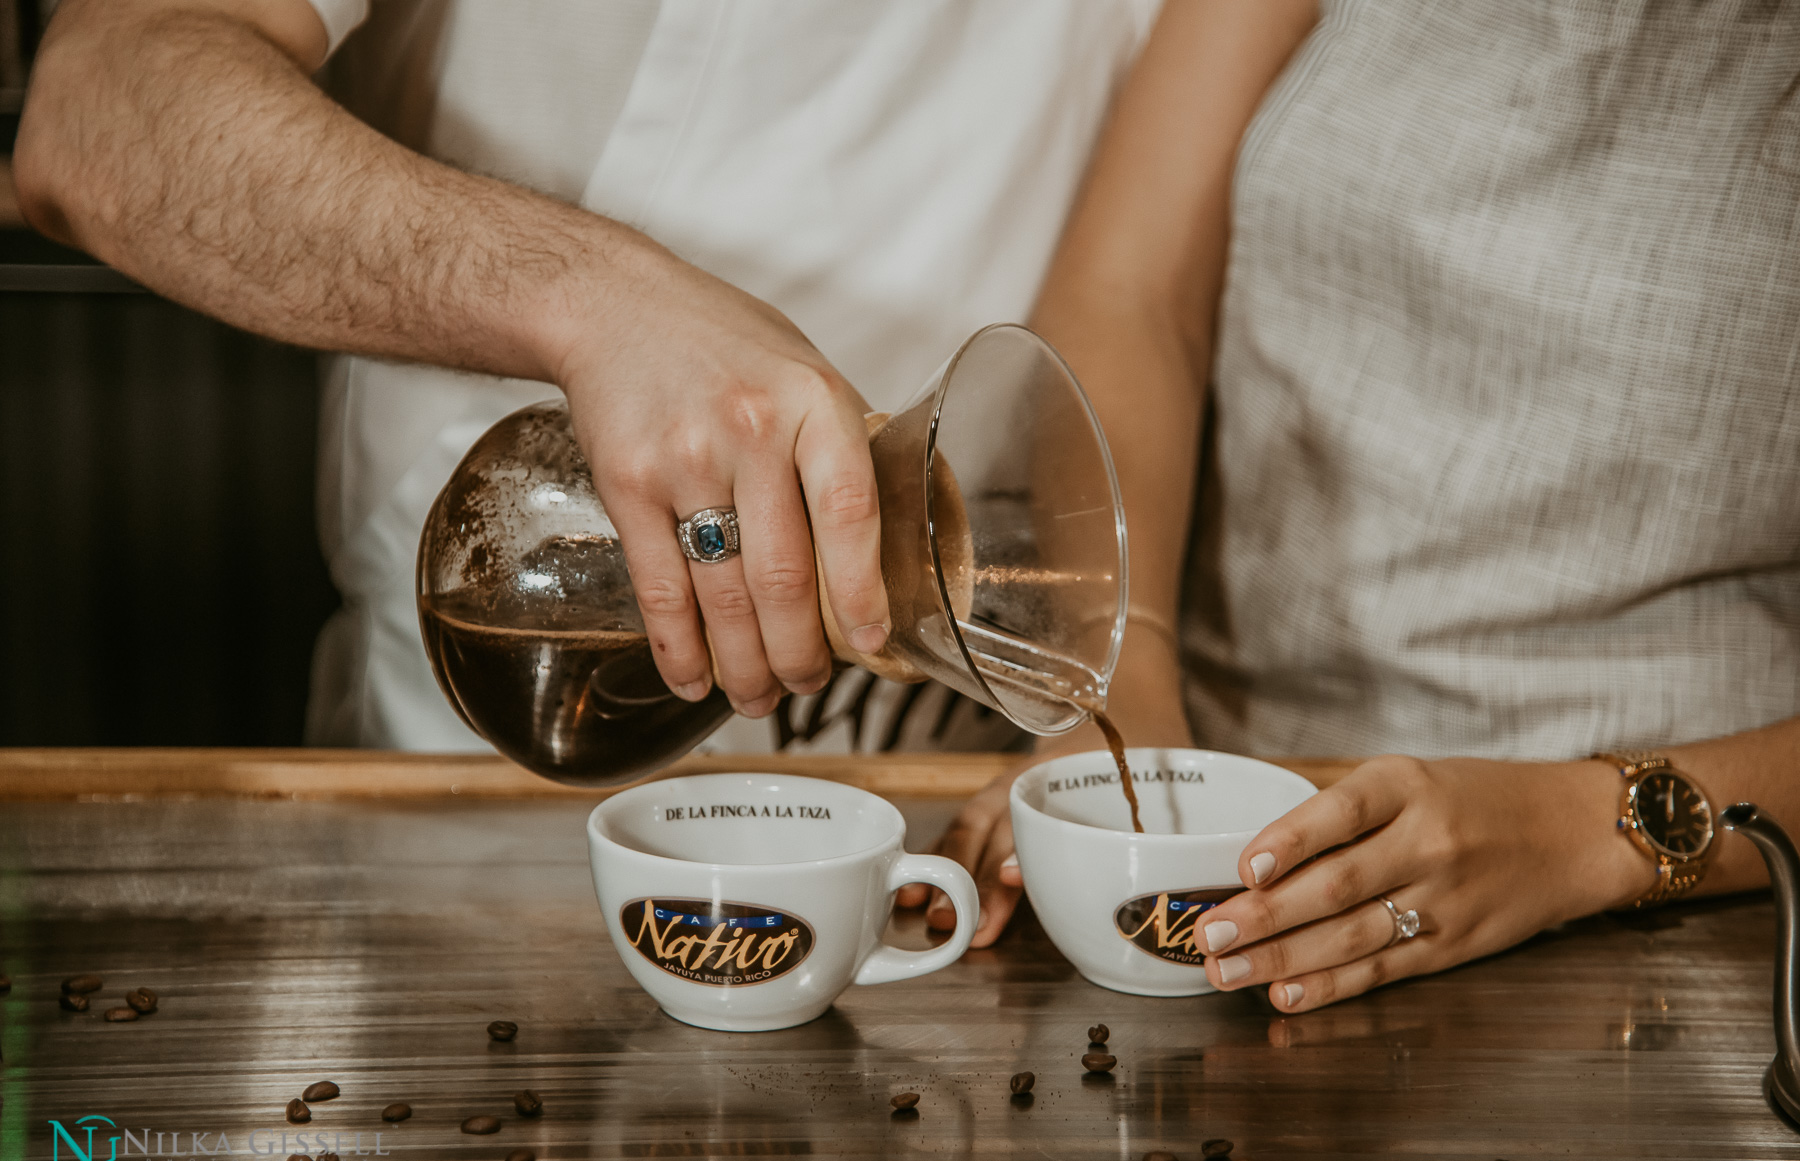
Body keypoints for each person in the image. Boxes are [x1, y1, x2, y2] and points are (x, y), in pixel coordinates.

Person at [905, 0, 1800, 1012]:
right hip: (1229, 777)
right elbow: (1131, 292)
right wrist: (1125, 679)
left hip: (1694, 895)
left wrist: (1601, 830)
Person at [13, 0, 1158, 753]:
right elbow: (105, 110)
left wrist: (1120, 668)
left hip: (945, 757)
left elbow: (1138, 303)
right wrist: (596, 302)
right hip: (517, 713)